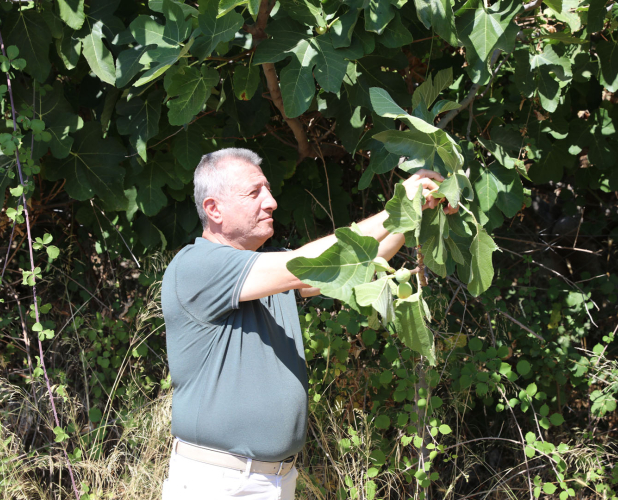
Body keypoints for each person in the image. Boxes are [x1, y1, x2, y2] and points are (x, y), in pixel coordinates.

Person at [160, 148, 453, 499]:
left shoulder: (266, 275)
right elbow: (304, 263)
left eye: (267, 190)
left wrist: (412, 212)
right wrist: (396, 207)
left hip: (274, 479)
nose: (271, 202)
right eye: (254, 193)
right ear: (213, 209)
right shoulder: (197, 265)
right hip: (219, 482)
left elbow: (362, 261)